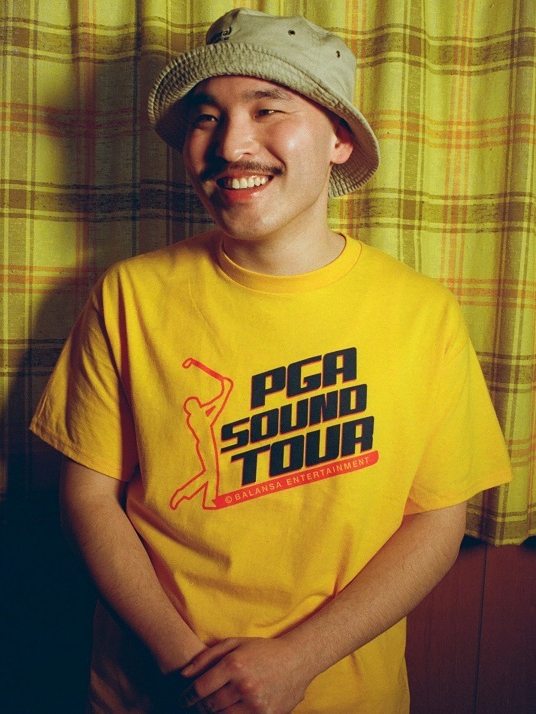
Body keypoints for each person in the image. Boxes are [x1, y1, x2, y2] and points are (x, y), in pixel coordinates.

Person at [30, 8, 512, 713]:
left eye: (267, 109)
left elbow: (438, 519)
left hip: (341, 694)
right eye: (207, 117)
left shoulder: (421, 313)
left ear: (339, 138)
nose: (231, 144)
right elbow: (87, 495)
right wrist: (189, 668)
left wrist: (299, 660)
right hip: (149, 688)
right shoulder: (129, 295)